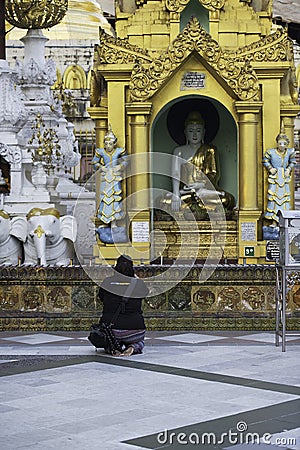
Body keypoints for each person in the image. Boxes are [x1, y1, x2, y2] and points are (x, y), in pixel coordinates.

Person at [163, 111, 234, 212]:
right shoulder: (178, 151)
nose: (195, 135)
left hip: (204, 191)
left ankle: (199, 203)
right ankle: (199, 205)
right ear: (185, 132)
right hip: (185, 192)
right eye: (191, 131)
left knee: (226, 200)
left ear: (204, 132)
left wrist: (201, 185)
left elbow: (213, 174)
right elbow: (175, 173)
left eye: (198, 131)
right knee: (163, 201)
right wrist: (175, 194)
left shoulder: (210, 150)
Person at [98, 255, 149, 356]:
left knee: (106, 340)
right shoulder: (138, 283)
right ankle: (133, 347)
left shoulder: (107, 282)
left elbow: (101, 298)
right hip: (134, 329)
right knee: (139, 341)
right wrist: (135, 278)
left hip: (111, 330)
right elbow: (146, 293)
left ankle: (112, 348)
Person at [91, 125, 127, 226]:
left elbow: (127, 160)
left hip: (115, 177)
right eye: (106, 144)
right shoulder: (101, 152)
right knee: (105, 198)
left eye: (110, 144)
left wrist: (119, 166)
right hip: (106, 178)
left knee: (115, 198)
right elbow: (94, 162)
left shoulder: (119, 151)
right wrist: (101, 167)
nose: (108, 146)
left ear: (114, 144)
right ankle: (105, 221)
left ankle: (114, 222)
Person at [263, 131, 296, 226]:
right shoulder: (271, 152)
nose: (282, 146)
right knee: (273, 199)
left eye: (284, 144)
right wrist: (270, 168)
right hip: (274, 178)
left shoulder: (289, 152)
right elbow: (265, 160)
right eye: (280, 143)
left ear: (287, 144)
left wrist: (288, 169)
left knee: (284, 200)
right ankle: (274, 221)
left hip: (284, 179)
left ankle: (284, 222)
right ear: (277, 143)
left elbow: (293, 162)